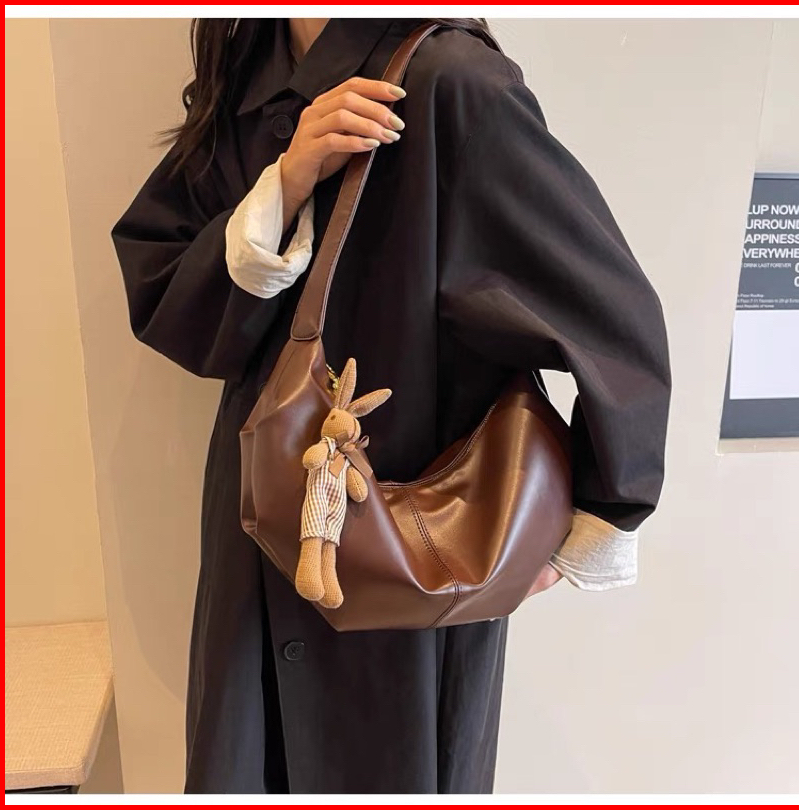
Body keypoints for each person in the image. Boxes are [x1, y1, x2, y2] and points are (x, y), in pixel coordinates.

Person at [111, 18, 671, 795]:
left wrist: (580, 532)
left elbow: (614, 325)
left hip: (413, 550)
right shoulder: (248, 75)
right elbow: (173, 303)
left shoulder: (451, 85)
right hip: (259, 536)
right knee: (249, 760)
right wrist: (287, 182)